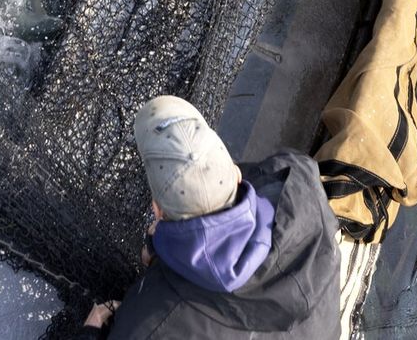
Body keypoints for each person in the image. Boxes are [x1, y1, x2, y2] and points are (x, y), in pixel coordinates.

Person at [77, 96, 340, 340]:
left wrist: (92, 331)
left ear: (157, 210)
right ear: (236, 174)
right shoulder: (297, 176)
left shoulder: (146, 325)